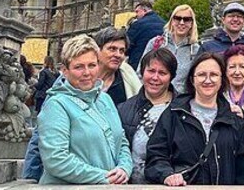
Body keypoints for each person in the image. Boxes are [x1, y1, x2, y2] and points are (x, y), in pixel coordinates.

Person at [145, 52, 244, 186]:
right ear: (192, 79)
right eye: (202, 75)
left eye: (214, 75)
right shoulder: (174, 114)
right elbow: (155, 156)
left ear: (222, 79)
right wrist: (167, 174)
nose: (208, 80)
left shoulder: (234, 120)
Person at [37, 34, 133, 185]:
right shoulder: (56, 105)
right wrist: (103, 177)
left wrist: (124, 169)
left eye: (92, 65)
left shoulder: (105, 100)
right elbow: (55, 159)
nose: (87, 73)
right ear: (64, 70)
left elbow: (122, 143)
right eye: (78, 67)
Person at [117, 48, 176, 184]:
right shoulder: (124, 109)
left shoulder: (183, 109)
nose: (155, 77)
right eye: (151, 71)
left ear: (171, 77)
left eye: (162, 73)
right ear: (142, 72)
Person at [142, 4, 201, 93]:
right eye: (177, 18)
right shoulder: (155, 43)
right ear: (172, 21)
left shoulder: (196, 50)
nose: (181, 22)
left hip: (180, 101)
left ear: (192, 24)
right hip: (152, 96)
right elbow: (140, 72)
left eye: (187, 19)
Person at [94, 26, 141, 106]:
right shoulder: (85, 77)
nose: (118, 55)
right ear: (97, 50)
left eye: (122, 51)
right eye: (112, 49)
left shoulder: (127, 79)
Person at [127, 0, 165, 70]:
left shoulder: (137, 24)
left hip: (138, 62)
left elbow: (127, 44)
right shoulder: (164, 23)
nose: (136, 15)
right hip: (159, 63)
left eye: (137, 11)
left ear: (144, 10)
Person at [224, 44, 244, 118]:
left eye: (242, 67)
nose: (237, 72)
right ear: (225, 71)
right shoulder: (217, 96)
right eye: (232, 67)